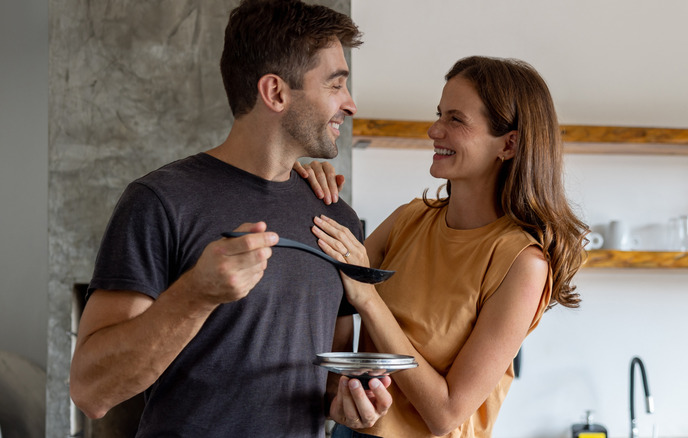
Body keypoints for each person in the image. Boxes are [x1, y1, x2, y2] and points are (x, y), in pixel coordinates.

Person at [68, 1, 392, 436]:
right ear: (275, 92)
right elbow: (91, 391)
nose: (350, 104)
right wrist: (197, 295)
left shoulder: (338, 219)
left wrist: (348, 404)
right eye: (335, 85)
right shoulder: (159, 203)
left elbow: (329, 381)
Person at [297, 56, 588, 437]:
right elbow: (331, 288)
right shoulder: (410, 218)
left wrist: (368, 298)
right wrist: (313, 190)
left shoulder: (521, 263)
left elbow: (446, 414)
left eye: (456, 119)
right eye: (439, 114)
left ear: (509, 144)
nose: (435, 129)